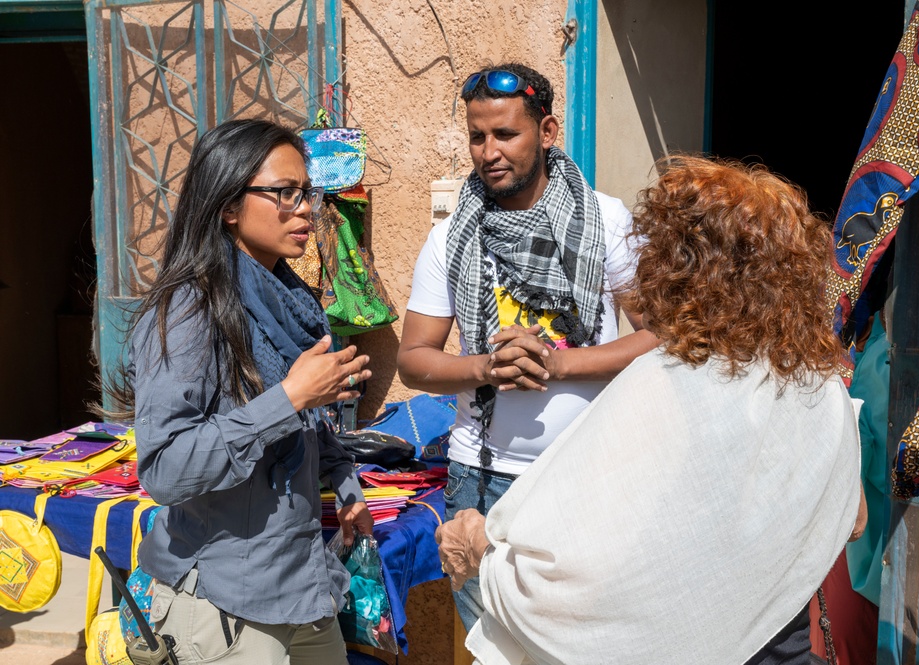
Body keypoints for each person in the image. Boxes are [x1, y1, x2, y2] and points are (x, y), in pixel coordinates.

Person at [436, 155, 864, 664]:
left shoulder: (665, 381)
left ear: (679, 267)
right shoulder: (818, 383)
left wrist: (481, 549)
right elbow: (851, 518)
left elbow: (570, 586)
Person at [396, 62, 658, 630]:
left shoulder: (605, 222)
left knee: (585, 642)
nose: (489, 151)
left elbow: (659, 336)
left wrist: (556, 362)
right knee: (496, 645)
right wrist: (487, 367)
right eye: (476, 136)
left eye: (506, 134)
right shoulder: (450, 238)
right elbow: (414, 360)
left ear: (547, 132)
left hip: (592, 472)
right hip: (482, 480)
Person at [107, 119, 374, 665]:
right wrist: (291, 397)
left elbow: (307, 431)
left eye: (308, 193)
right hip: (225, 606)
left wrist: (345, 481)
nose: (305, 209)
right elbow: (164, 470)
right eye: (285, 194)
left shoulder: (291, 302)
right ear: (229, 206)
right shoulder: (188, 310)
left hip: (302, 587)